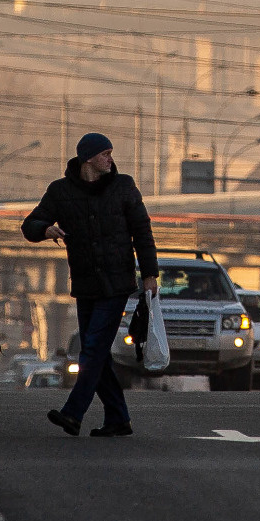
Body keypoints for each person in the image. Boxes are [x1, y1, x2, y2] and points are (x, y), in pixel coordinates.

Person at [21, 131, 156, 439]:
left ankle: (73, 412)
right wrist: (46, 229)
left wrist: (150, 275)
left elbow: (142, 232)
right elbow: (29, 225)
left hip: (117, 283)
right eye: (105, 154)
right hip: (85, 285)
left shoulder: (123, 187)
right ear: (89, 159)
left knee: (92, 348)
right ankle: (118, 419)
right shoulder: (60, 191)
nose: (110, 159)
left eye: (110, 153)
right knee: (98, 355)